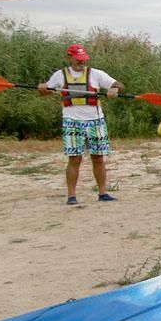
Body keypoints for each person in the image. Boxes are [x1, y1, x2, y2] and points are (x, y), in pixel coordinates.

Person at [38, 43, 123, 205]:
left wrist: (115, 89)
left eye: (83, 59)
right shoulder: (60, 75)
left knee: (98, 158)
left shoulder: (96, 74)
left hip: (95, 121)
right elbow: (45, 92)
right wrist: (42, 89)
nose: (81, 62)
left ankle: (103, 193)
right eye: (78, 59)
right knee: (74, 159)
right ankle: (71, 196)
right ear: (69, 58)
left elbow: (118, 84)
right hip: (72, 121)